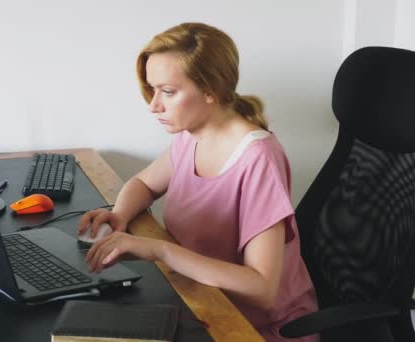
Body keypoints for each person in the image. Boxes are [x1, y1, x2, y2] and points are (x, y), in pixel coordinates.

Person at [77, 22, 319, 341]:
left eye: (168, 91)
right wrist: (120, 215)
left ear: (211, 90)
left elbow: (261, 288)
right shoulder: (192, 134)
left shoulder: (258, 159)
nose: (153, 106)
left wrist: (160, 251)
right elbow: (144, 185)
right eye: (152, 89)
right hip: (202, 303)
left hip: (255, 329)